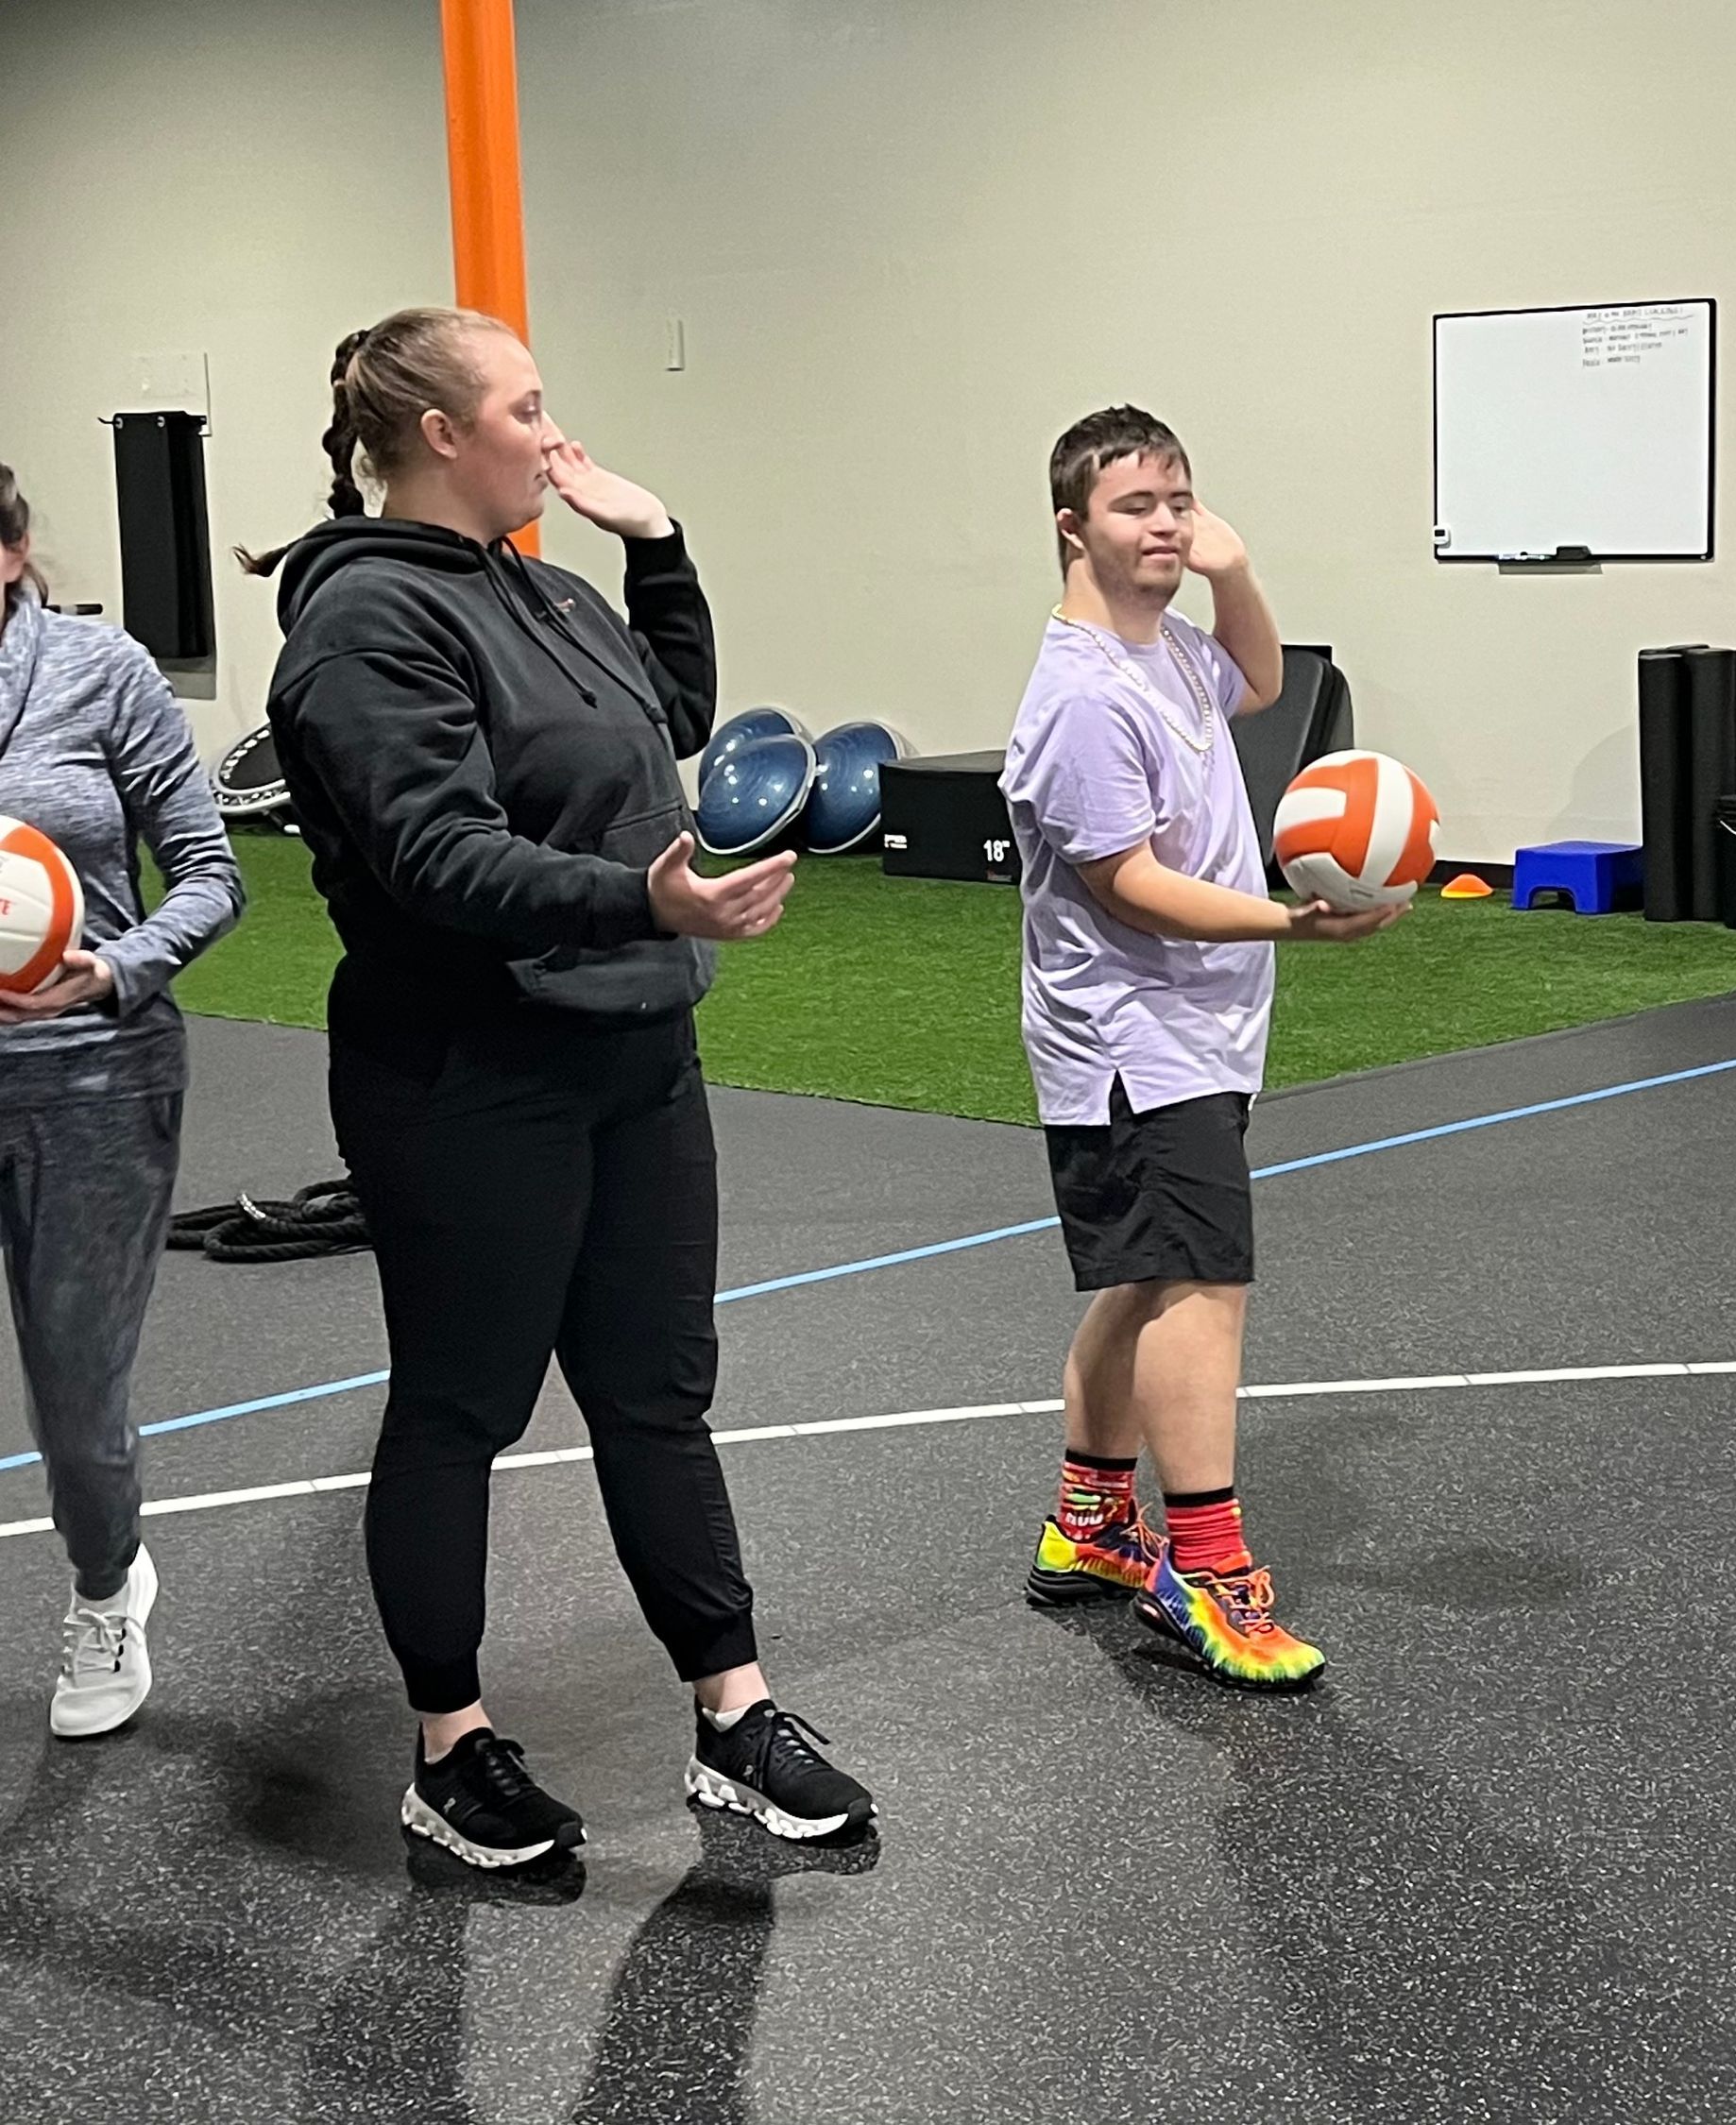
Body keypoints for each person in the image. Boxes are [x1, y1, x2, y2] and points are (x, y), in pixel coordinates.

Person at [241, 307, 871, 1869]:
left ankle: (735, 1713)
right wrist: (643, 903)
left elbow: (672, 719)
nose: (551, 430)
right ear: (441, 435)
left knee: (659, 1399)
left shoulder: (545, 586)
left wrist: (658, 544)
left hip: (637, 1057)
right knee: (461, 1410)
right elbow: (437, 858)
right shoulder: (364, 624)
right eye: (526, 406)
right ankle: (449, 1745)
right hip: (469, 1073)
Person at [1002, 406, 1402, 1690]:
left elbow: (1265, 681)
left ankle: (1090, 1523)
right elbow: (1131, 885)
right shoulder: (1079, 696)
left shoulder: (1168, 647)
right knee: (1203, 1286)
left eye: (1179, 499)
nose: (1165, 522)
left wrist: (1232, 572)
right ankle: (1205, 1572)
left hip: (1194, 1027)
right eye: (1136, 505)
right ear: (1073, 527)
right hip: (1135, 1038)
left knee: (1149, 1273)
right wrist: (1293, 921)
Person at [0, 462, 244, 1736]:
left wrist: (116, 966)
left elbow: (208, 871)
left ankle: (107, 1584)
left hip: (90, 1076)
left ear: (13, 549)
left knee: (75, 1392)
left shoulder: (104, 672)